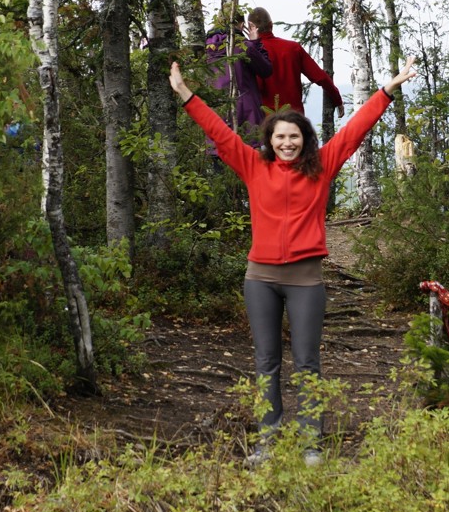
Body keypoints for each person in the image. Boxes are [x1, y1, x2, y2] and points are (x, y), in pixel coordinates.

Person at [169, 55, 417, 466]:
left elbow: (354, 131)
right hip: (260, 279)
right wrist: (184, 93)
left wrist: (388, 89)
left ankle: (310, 444)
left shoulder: (321, 167)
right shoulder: (252, 165)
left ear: (305, 140)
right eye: (280, 137)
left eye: (295, 137)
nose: (287, 143)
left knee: (307, 362)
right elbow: (219, 132)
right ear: (270, 140)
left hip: (305, 281)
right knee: (266, 362)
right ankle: (267, 440)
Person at [246, 6, 346, 118]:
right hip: (295, 118)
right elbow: (320, 77)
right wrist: (337, 99)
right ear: (271, 25)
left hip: (266, 120)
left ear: (250, 27)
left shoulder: (248, 53)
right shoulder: (293, 48)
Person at [203, 12, 272, 148]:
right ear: (241, 25)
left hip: (215, 116)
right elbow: (266, 69)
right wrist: (255, 42)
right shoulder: (244, 46)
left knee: (219, 158)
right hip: (247, 116)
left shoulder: (204, 48)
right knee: (247, 164)